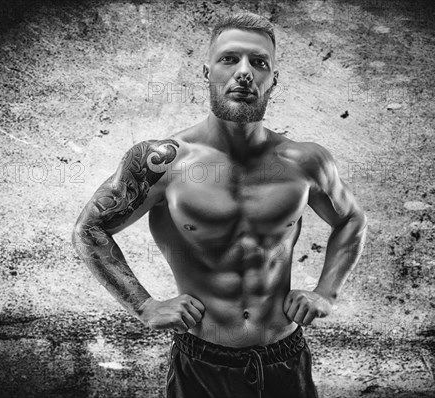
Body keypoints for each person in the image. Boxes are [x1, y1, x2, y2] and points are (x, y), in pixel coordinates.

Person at [72, 12, 367, 398]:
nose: (244, 72)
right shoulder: (165, 161)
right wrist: (145, 306)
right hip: (201, 364)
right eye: (229, 59)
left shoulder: (305, 161)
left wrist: (325, 294)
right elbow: (89, 229)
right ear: (207, 71)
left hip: (286, 358)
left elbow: (351, 220)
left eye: (259, 62)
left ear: (273, 79)